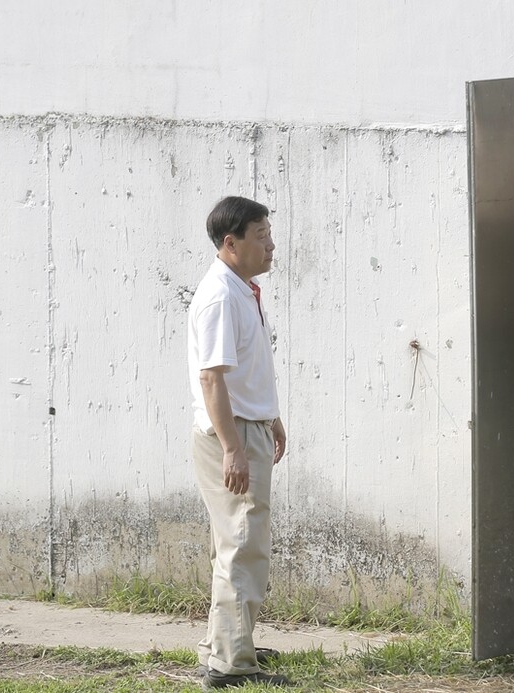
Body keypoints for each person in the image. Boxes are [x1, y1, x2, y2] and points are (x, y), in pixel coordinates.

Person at [188, 196, 291, 689]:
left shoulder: (243, 288)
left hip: (248, 427)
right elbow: (212, 379)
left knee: (233, 546)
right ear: (231, 243)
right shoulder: (221, 296)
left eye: (269, 232)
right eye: (261, 235)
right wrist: (233, 447)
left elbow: (246, 369)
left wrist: (270, 417)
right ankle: (230, 665)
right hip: (230, 436)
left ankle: (226, 644)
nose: (271, 243)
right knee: (243, 547)